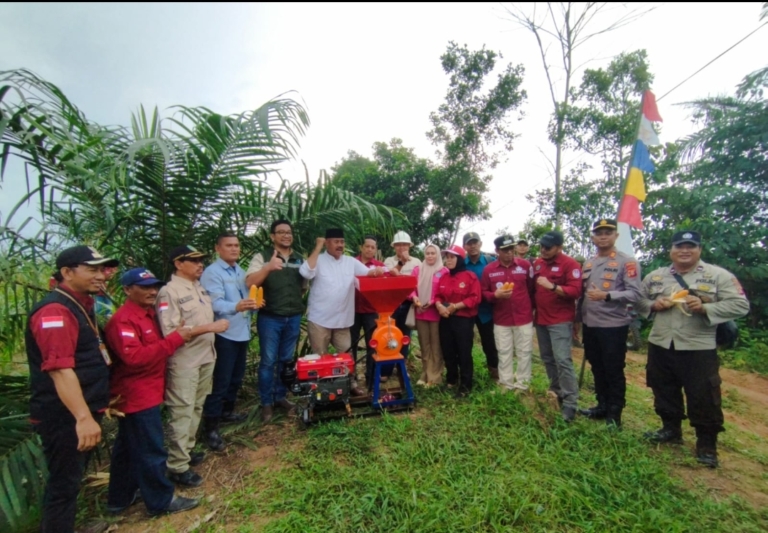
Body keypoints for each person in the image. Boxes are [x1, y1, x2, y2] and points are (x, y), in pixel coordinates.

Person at [636, 230, 749, 468]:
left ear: (699, 250)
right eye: (679, 246)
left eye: (690, 246)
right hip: (661, 342)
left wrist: (707, 307)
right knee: (663, 388)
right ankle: (671, 429)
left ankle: (706, 445)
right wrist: (654, 305)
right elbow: (638, 301)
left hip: (698, 347)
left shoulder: (717, 276)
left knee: (703, 395)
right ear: (671, 250)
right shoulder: (656, 276)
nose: (684, 251)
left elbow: (740, 305)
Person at [26, 245, 118, 533]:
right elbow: (60, 370)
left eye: (102, 269)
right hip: (64, 416)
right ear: (67, 272)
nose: (100, 275)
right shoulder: (55, 311)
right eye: (92, 269)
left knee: (71, 479)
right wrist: (83, 418)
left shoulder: (81, 304)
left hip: (82, 410)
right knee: (63, 484)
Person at [104, 268, 199, 516]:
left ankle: (120, 497)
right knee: (151, 449)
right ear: (127, 290)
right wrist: (175, 339)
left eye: (154, 286)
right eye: (144, 287)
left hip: (148, 389)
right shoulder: (124, 320)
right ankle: (161, 501)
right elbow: (134, 358)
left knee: (127, 448)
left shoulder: (149, 314)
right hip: (136, 395)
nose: (152, 291)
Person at [156, 245, 229, 487]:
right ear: (178, 264)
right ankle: (177, 466)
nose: (200, 265)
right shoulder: (169, 292)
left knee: (197, 405)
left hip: (205, 356)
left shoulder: (198, 287)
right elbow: (170, 332)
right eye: (194, 261)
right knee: (182, 410)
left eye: (201, 260)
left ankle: (186, 452)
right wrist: (210, 328)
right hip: (184, 360)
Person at [300, 228, 384, 396]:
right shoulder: (318, 260)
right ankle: (322, 391)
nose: (340, 245)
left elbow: (368, 272)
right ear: (327, 243)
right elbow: (305, 272)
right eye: (336, 242)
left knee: (346, 355)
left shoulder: (350, 262)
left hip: (342, 321)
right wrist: (317, 247)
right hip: (320, 320)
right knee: (320, 357)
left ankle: (350, 384)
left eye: (342, 242)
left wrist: (378, 271)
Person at [576, 219, 643, 428]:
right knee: (597, 367)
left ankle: (615, 414)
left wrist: (607, 295)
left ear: (616, 236)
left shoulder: (627, 262)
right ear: (593, 238)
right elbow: (583, 294)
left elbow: (635, 294)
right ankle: (602, 405)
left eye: (608, 232)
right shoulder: (589, 263)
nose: (603, 236)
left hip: (613, 326)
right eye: (599, 233)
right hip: (590, 324)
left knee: (613, 369)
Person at [200, 233, 261, 450]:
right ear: (218, 248)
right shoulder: (212, 273)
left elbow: (248, 297)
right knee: (221, 381)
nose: (234, 249)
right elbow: (214, 304)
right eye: (229, 245)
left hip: (241, 331)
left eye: (236, 245)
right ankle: (210, 427)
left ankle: (227, 412)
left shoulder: (240, 271)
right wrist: (236, 306)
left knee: (236, 376)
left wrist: (254, 305)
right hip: (224, 334)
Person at [245, 219, 307, 423]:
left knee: (286, 361)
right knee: (268, 361)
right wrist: (268, 268)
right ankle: (266, 403)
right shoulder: (262, 257)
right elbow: (250, 282)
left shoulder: (299, 258)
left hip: (293, 317)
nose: (286, 235)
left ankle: (280, 397)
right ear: (272, 236)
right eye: (281, 232)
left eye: (289, 232)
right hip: (270, 318)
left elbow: (303, 287)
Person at [533, 230, 583, 422]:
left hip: (560, 320)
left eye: (548, 247)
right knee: (547, 358)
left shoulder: (570, 264)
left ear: (560, 247)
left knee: (562, 360)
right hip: (541, 319)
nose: (543, 250)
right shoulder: (538, 263)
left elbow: (576, 291)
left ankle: (570, 403)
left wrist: (553, 287)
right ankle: (556, 391)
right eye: (542, 246)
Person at [481, 235, 535, 392]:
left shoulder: (525, 266)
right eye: (505, 250)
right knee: (504, 352)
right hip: (501, 318)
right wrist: (495, 295)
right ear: (497, 251)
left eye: (511, 249)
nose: (509, 252)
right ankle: (506, 384)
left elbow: (531, 288)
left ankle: (523, 385)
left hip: (523, 317)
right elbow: (484, 292)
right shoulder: (489, 270)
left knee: (524, 352)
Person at [434, 245, 481, 398]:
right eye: (447, 257)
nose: (448, 260)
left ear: (460, 259)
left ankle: (465, 385)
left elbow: (475, 298)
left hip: (463, 320)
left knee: (463, 352)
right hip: (446, 318)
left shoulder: (470, 276)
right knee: (448, 350)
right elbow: (438, 295)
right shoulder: (444, 277)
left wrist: (455, 306)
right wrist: (439, 306)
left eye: (452, 257)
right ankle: (451, 380)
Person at [409, 243, 449, 387]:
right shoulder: (417, 269)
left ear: (438, 255)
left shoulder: (444, 271)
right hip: (420, 312)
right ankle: (425, 373)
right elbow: (410, 287)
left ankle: (435, 377)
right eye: (427, 253)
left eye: (433, 253)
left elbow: (445, 292)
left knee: (436, 346)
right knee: (424, 345)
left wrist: (433, 301)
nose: (430, 256)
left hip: (436, 313)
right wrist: (414, 297)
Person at [463, 232, 499, 381]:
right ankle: (466, 374)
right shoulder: (461, 264)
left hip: (486, 310)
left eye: (475, 242)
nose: (472, 246)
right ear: (464, 246)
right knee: (465, 343)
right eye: (469, 243)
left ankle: (495, 372)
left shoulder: (491, 262)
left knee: (489, 342)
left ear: (480, 244)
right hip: (466, 310)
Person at [383, 231, 421, 371]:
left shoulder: (417, 262)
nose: (402, 247)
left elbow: (418, 283)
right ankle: (387, 369)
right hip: (392, 304)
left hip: (409, 304)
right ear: (394, 246)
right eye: (398, 245)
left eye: (405, 244)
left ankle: (401, 369)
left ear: (409, 246)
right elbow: (388, 279)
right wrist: (401, 264)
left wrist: (399, 277)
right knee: (389, 335)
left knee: (405, 336)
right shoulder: (389, 261)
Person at [351, 235, 386, 387]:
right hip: (351, 310)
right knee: (351, 344)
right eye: (367, 246)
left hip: (371, 311)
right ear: (361, 247)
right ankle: (351, 379)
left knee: (372, 345)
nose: (370, 249)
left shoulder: (379, 267)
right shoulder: (351, 263)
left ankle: (371, 380)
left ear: (376, 250)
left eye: (373, 247)